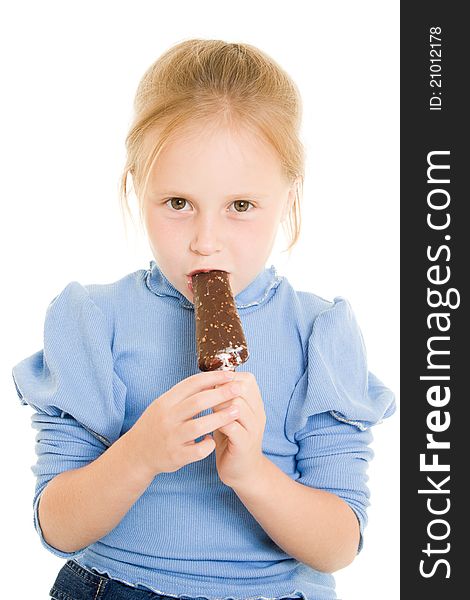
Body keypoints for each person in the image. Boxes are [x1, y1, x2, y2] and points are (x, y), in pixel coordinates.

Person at [11, 39, 395, 600]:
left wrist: (252, 474)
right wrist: (139, 454)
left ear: (288, 197)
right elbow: (57, 528)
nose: (206, 242)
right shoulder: (92, 320)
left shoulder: (317, 333)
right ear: (137, 185)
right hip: (114, 587)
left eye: (241, 206)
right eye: (178, 203)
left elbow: (339, 545)